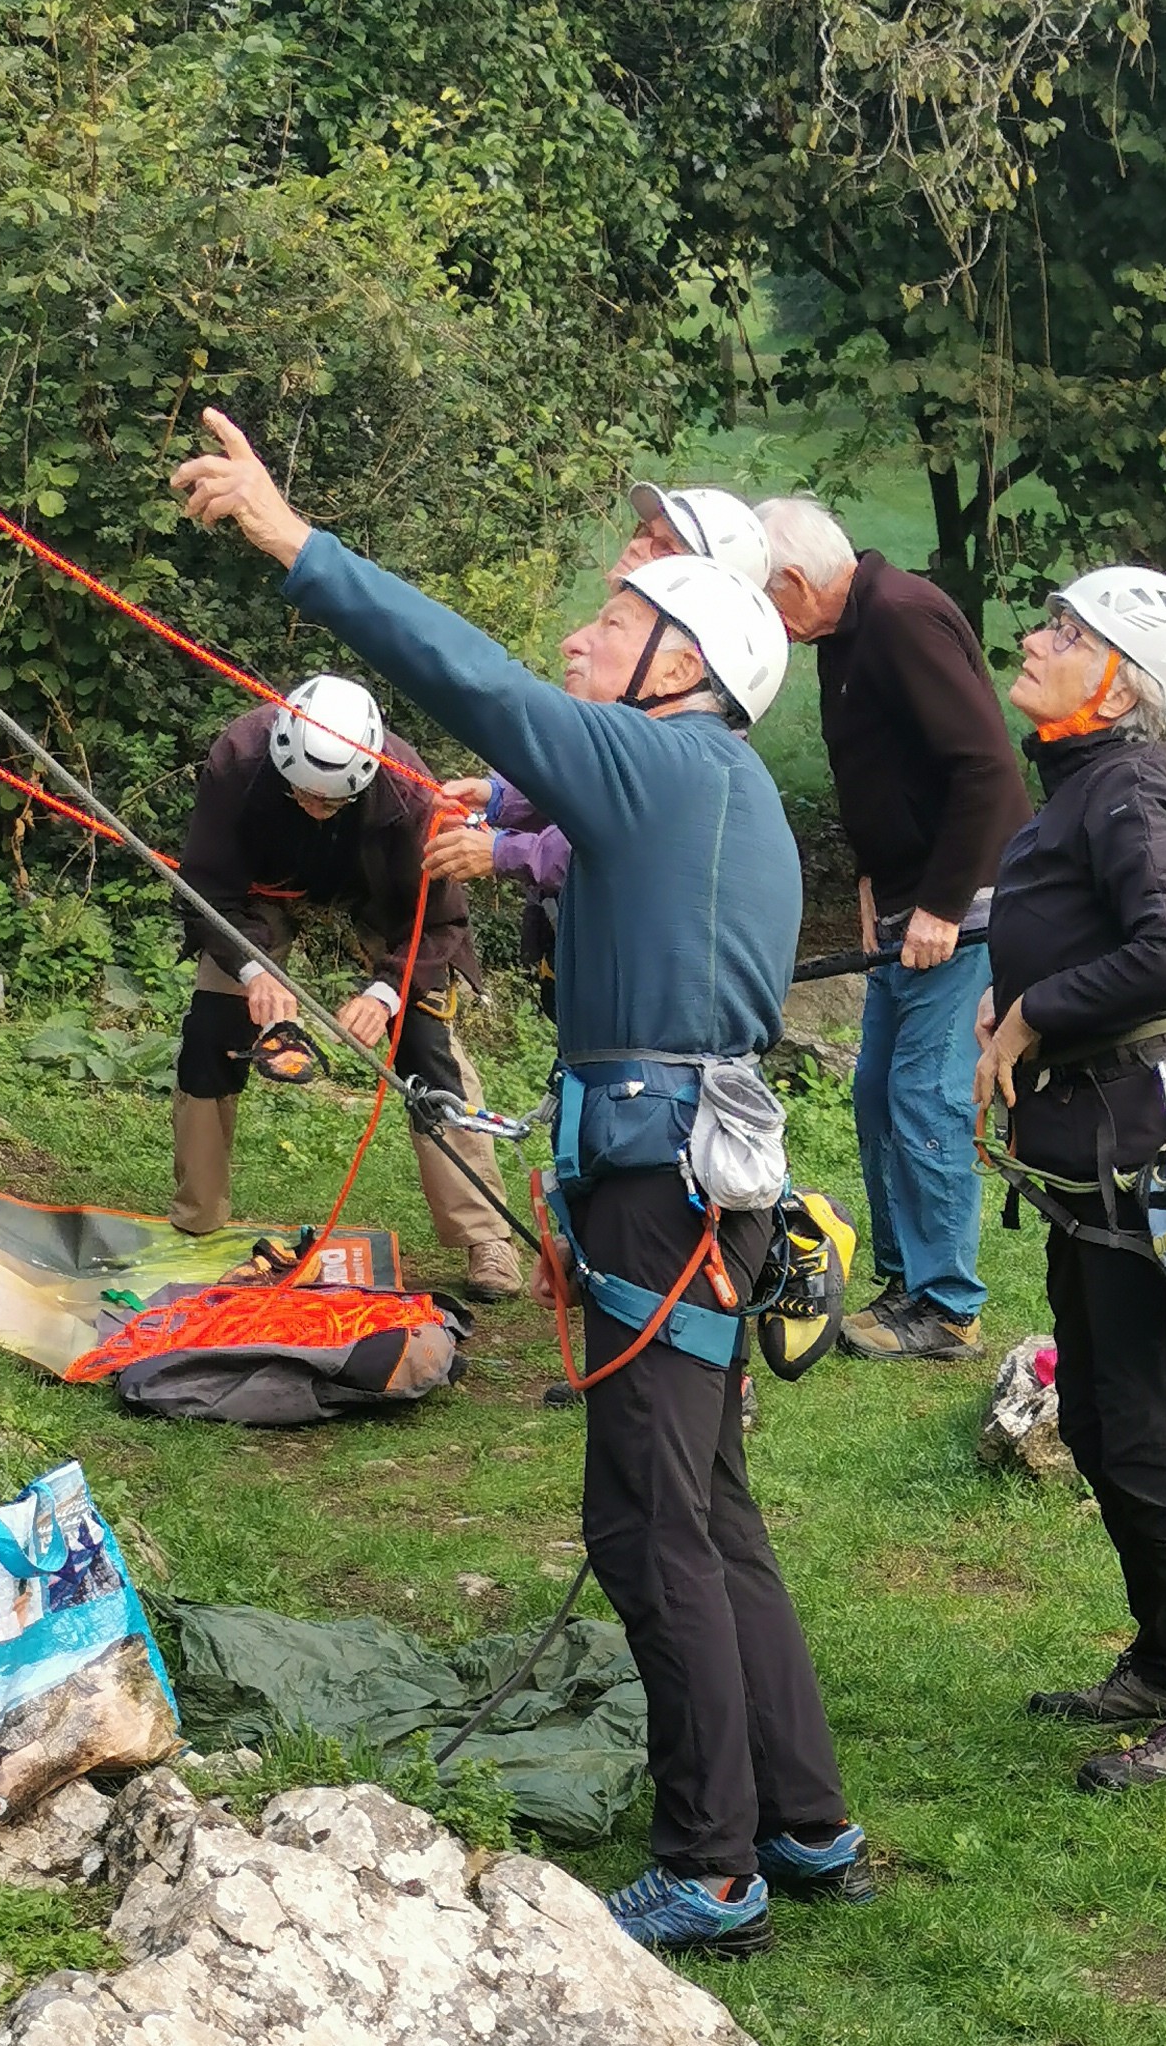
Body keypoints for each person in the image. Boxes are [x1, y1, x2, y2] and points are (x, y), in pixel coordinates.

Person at [171, 410, 867, 1958]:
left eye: (620, 620)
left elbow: (465, 677)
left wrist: (293, 544)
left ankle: (714, 1862)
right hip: (700, 1170)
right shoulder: (715, 786)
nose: (583, 627)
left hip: (658, 1182)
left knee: (647, 1523)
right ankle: (803, 1821)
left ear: (683, 668)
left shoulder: (656, 767)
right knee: (712, 1507)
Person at [976, 564, 1166, 1793]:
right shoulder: (1095, 781)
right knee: (1097, 1415)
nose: (1036, 641)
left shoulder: (1131, 785)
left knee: (1148, 1428)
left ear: (1124, 682)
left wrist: (1033, 1008)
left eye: (1066, 632)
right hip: (1099, 1147)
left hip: (1144, 1148)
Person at [757, 495, 1023, 1363]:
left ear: (795, 580)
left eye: (766, 598)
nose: (766, 620)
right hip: (904, 907)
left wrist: (945, 905)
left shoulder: (903, 617)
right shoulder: (843, 636)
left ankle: (949, 1309)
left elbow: (985, 767)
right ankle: (906, 1284)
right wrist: (877, 887)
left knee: (926, 1097)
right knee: (875, 1095)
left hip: (967, 910)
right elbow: (881, 774)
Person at [169, 677, 521, 1299]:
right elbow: (204, 890)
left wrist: (385, 993)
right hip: (254, 902)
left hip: (383, 895)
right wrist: (253, 970)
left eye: (330, 803)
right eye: (301, 794)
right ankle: (197, 1217)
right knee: (210, 1032)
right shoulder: (238, 760)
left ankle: (486, 1236)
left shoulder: (413, 795)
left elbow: (439, 921)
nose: (313, 807)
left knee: (425, 1045)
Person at [424, 482, 772, 961]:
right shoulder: (644, 680)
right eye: (642, 531)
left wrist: (504, 850)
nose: (636, 546)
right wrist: (500, 796)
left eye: (664, 546)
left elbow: (615, 825)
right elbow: (584, 764)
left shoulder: (693, 736)